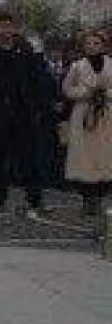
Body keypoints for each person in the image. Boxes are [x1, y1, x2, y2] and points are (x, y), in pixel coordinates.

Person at [0, 12, 46, 213]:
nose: (4, 31)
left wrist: (37, 107)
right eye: (0, 27)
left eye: (7, 26)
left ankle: (35, 198)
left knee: (28, 157)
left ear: (13, 28)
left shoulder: (25, 50)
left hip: (22, 111)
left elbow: (36, 79)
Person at [62, 30, 111, 218]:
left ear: (103, 45)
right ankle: (86, 198)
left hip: (107, 115)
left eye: (96, 43)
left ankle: (99, 198)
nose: (92, 47)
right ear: (83, 46)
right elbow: (67, 89)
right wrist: (85, 93)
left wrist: (105, 93)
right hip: (83, 115)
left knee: (104, 156)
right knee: (84, 158)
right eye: (88, 43)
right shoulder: (77, 66)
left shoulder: (111, 64)